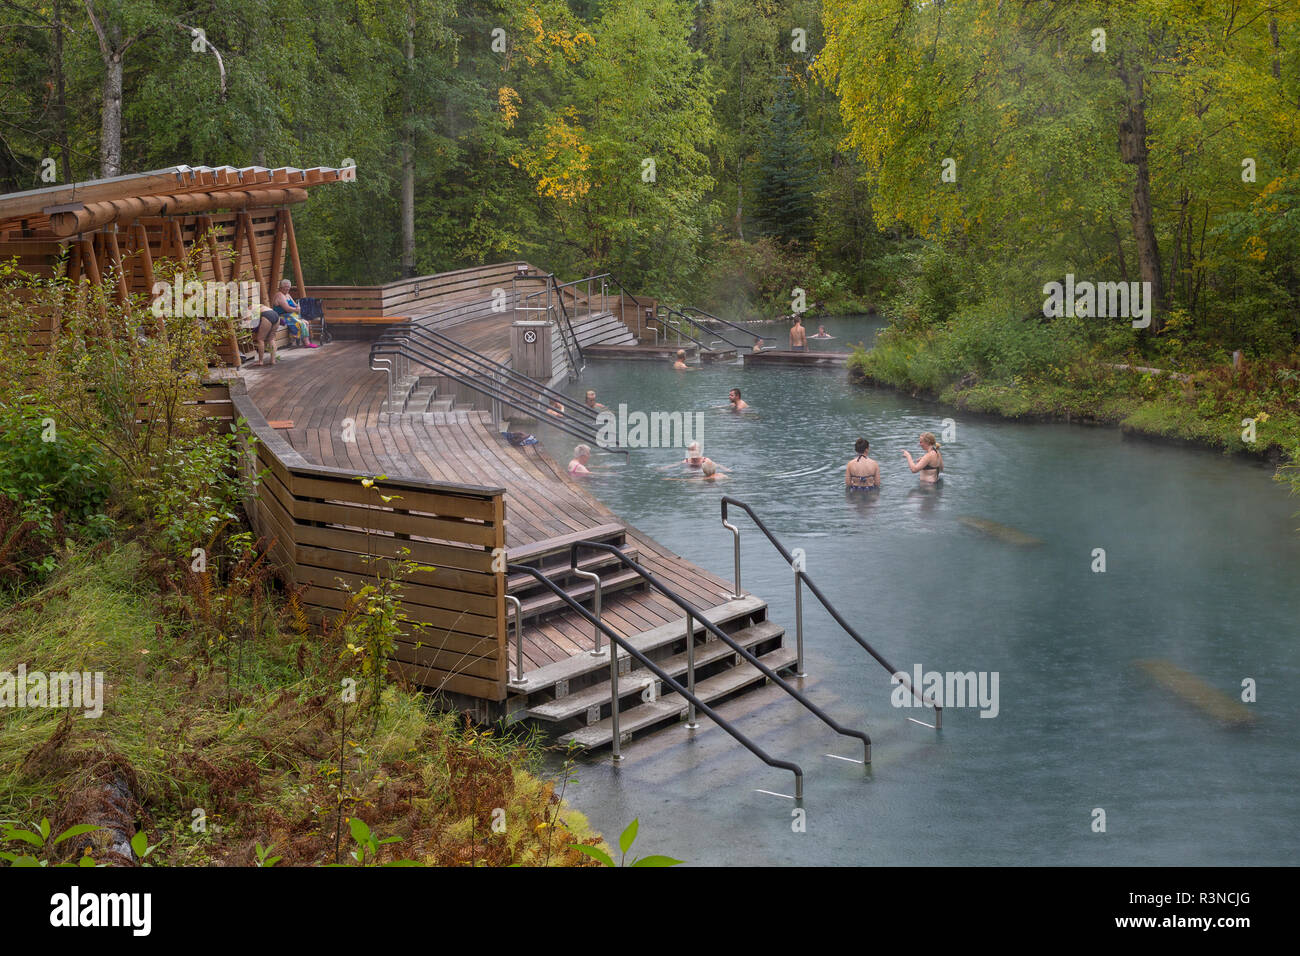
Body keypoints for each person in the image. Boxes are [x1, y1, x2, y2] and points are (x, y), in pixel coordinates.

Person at [273, 279, 318, 348]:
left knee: (306, 322)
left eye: (288, 287)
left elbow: (295, 305)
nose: (287, 288)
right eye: (285, 287)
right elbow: (287, 309)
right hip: (282, 316)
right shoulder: (279, 295)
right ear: (281, 287)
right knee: (301, 323)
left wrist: (298, 307)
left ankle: (304, 341)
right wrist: (296, 310)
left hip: (291, 315)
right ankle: (307, 343)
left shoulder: (287, 295)